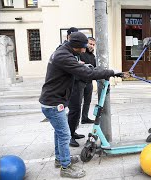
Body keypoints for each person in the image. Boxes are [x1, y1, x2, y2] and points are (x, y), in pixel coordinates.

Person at [39, 31, 129, 178]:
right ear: (75, 46)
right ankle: (66, 167)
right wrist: (112, 72)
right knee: (64, 134)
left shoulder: (63, 51)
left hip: (54, 99)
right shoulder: (63, 56)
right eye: (82, 47)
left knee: (58, 132)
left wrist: (84, 64)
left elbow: (78, 65)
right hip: (54, 102)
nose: (84, 49)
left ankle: (60, 159)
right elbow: (86, 74)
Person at [68, 37, 96, 147]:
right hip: (78, 83)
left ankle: (84, 119)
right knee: (75, 109)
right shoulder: (79, 53)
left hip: (88, 82)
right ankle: (69, 136)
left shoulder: (92, 56)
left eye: (93, 45)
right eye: (90, 44)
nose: (91, 46)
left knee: (87, 102)